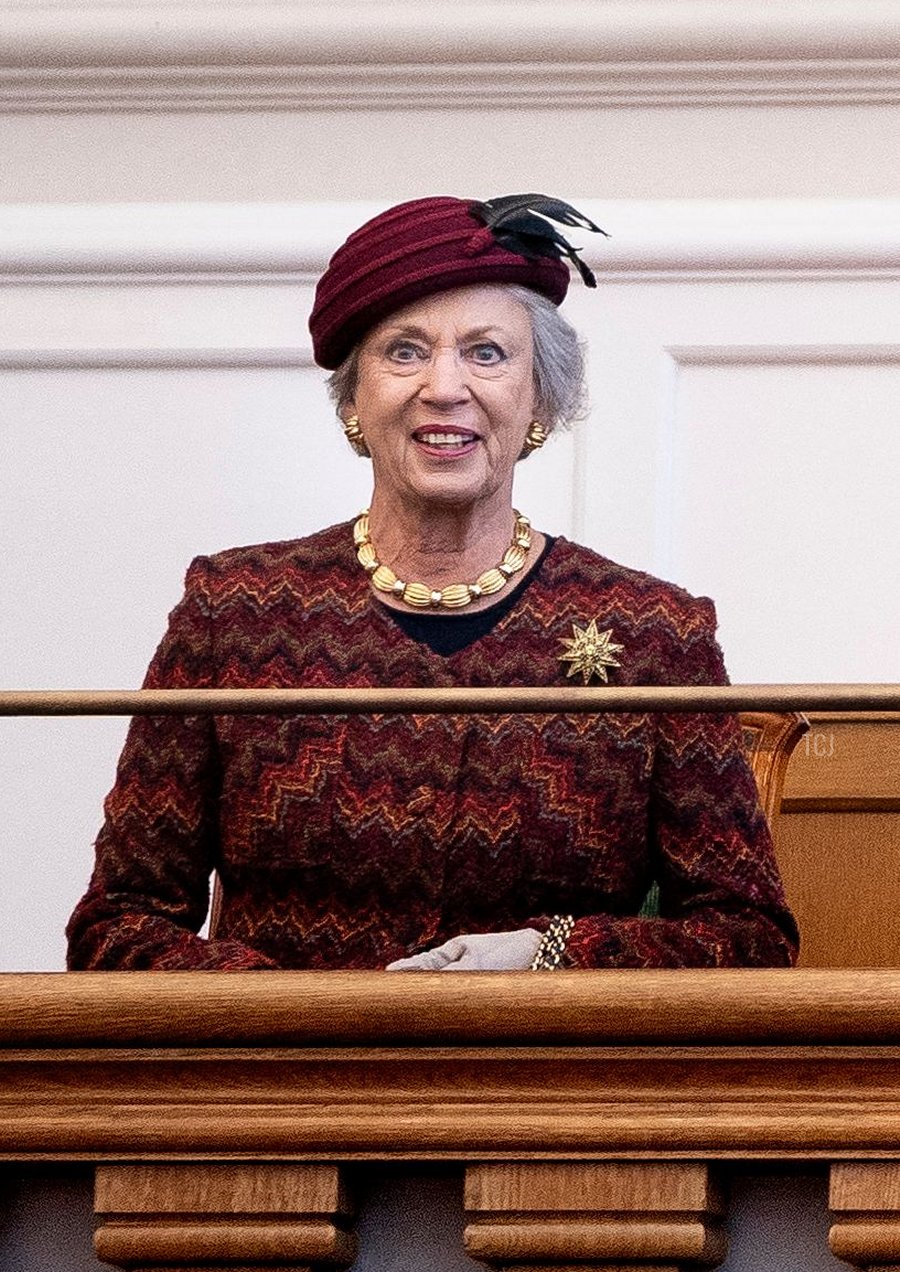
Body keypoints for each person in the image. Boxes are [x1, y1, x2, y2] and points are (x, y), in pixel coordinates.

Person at [66, 194, 798, 973]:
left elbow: (747, 936)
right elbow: (117, 925)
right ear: (353, 398)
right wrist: (296, 1008)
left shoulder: (653, 629)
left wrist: (550, 954)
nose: (444, 387)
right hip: (284, 1084)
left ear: (539, 399)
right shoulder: (236, 611)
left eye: (487, 353)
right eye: (405, 351)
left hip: (548, 1084)